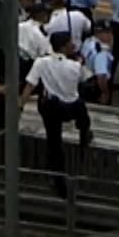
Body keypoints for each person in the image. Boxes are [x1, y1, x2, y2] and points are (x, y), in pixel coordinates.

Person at [22, 31, 91, 183]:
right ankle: (83, 134)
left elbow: (30, 85)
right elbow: (84, 79)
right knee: (82, 108)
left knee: (54, 141)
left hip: (51, 108)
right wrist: (80, 63)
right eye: (70, 43)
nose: (73, 45)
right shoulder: (75, 66)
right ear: (64, 47)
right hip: (71, 107)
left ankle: (57, 175)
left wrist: (20, 105)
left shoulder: (41, 62)